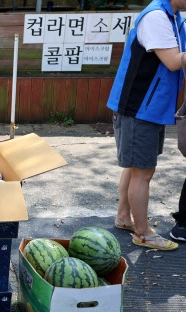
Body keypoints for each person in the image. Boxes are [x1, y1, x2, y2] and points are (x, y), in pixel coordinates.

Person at [106, 0, 186, 251]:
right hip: (139, 109)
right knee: (143, 172)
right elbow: (174, 61)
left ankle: (123, 218)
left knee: (135, 167)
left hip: (149, 108)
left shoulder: (173, 15)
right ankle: (142, 233)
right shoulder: (156, 17)